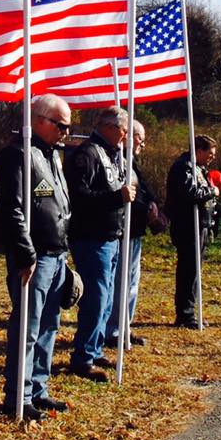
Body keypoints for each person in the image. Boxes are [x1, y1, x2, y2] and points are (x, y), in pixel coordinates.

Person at [0, 94, 72, 420]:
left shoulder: (52, 154)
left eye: (68, 127)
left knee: (49, 325)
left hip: (56, 255)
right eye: (61, 125)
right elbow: (10, 209)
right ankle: (19, 396)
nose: (65, 132)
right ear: (39, 120)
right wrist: (25, 252)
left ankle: (38, 388)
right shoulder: (17, 154)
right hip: (34, 258)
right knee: (27, 328)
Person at [65, 106, 136, 382]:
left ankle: (94, 349)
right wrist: (116, 197)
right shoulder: (87, 154)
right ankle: (82, 358)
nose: (126, 136)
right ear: (108, 127)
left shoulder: (112, 154)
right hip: (91, 238)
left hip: (111, 235)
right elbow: (79, 196)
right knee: (96, 298)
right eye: (124, 130)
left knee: (106, 298)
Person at [106, 119, 166, 348]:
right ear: (128, 137)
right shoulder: (118, 161)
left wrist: (152, 205)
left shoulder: (132, 162)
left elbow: (144, 190)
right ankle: (113, 330)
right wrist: (146, 207)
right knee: (119, 283)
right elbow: (127, 194)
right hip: (123, 229)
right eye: (141, 138)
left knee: (132, 282)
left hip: (136, 230)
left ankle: (125, 327)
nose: (143, 143)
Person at [164, 134, 220, 328]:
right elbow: (190, 193)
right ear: (199, 151)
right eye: (210, 154)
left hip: (200, 225)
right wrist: (212, 191)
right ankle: (185, 314)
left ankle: (191, 311)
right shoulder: (183, 167)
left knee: (194, 271)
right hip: (187, 226)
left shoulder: (199, 168)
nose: (212, 158)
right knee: (188, 271)